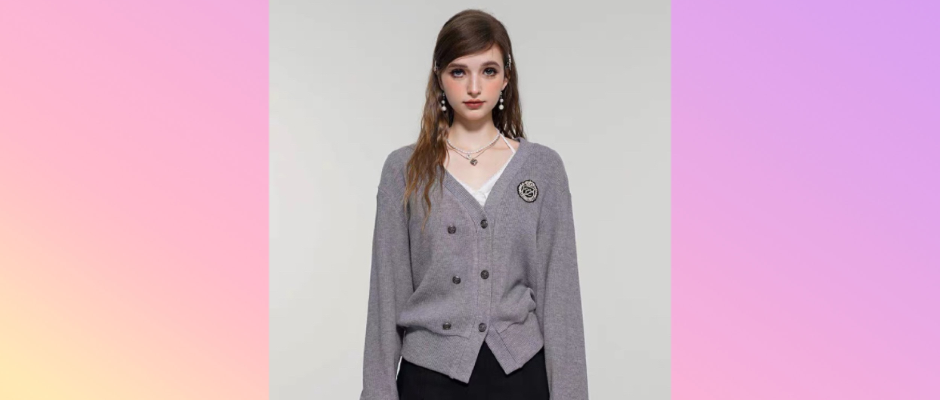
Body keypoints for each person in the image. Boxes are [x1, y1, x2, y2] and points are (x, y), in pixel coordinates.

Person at [359, 9, 589, 400]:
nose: (474, 87)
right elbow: (386, 297)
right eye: (459, 71)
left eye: (489, 70)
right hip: (428, 380)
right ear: (439, 77)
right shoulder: (403, 169)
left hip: (521, 378)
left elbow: (560, 300)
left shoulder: (543, 169)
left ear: (506, 77)